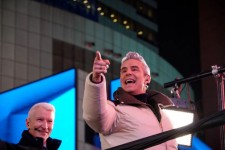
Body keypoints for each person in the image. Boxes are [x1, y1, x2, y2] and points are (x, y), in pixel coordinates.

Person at [83, 51, 178, 150]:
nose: (128, 73)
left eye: (134, 69)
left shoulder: (163, 115)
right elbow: (96, 116)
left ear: (147, 79)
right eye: (124, 71)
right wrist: (96, 80)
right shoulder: (115, 108)